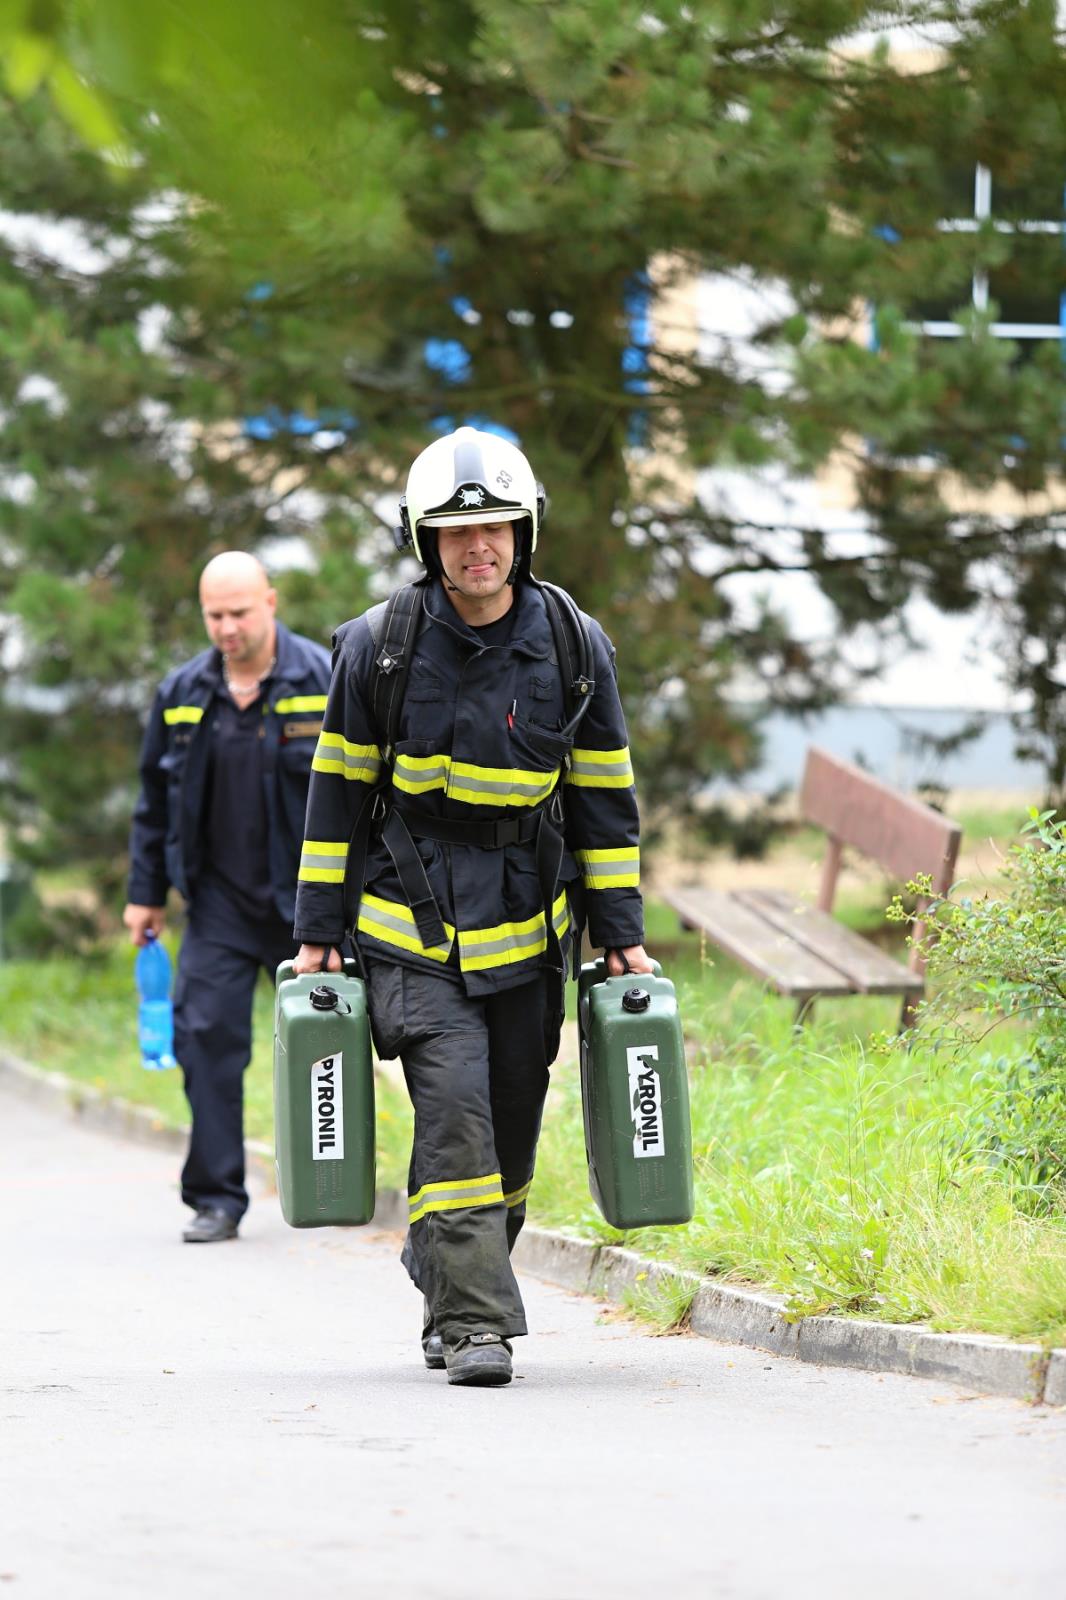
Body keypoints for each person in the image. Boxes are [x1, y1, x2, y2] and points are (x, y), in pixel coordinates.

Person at [292, 426, 653, 1386]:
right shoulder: (377, 648)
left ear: (523, 532)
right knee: (454, 1118)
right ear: (426, 543)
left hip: (530, 927)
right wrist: (317, 934)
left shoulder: (576, 645)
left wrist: (621, 936)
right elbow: (337, 792)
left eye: (492, 528)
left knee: (513, 1132)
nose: (476, 547)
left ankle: (443, 1275)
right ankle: (481, 1326)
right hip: (409, 925)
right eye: (455, 535)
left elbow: (602, 801)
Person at [124, 552, 332, 1243]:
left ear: (270, 602)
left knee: (325, 1045)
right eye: (214, 614)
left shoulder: (321, 681)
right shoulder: (183, 693)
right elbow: (153, 802)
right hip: (216, 903)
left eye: (239, 612)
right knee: (206, 1036)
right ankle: (217, 1197)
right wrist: (144, 894)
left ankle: (330, 1181)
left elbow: (365, 794)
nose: (227, 627)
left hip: (308, 904)